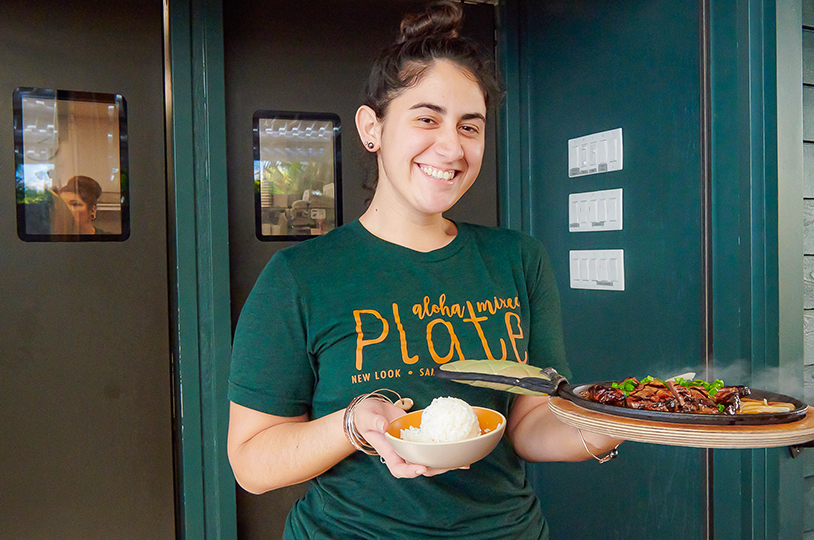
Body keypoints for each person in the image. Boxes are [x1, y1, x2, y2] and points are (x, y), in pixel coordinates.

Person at [227, 2, 624, 538]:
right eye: (426, 118)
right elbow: (251, 461)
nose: (451, 147)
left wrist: (621, 421)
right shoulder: (300, 276)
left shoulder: (518, 259)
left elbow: (531, 424)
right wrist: (353, 424)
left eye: (470, 126)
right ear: (372, 128)